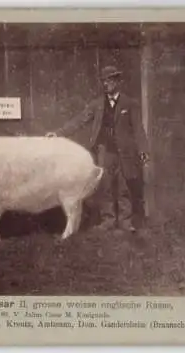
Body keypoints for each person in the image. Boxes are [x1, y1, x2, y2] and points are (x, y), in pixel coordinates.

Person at [46, 65, 149, 233]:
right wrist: (58, 133)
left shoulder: (130, 104)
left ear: (117, 81)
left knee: (124, 187)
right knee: (105, 186)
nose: (106, 84)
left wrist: (143, 150)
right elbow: (79, 120)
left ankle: (125, 221)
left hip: (125, 153)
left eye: (109, 80)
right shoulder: (97, 104)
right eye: (104, 81)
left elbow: (138, 128)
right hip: (104, 151)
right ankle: (108, 221)